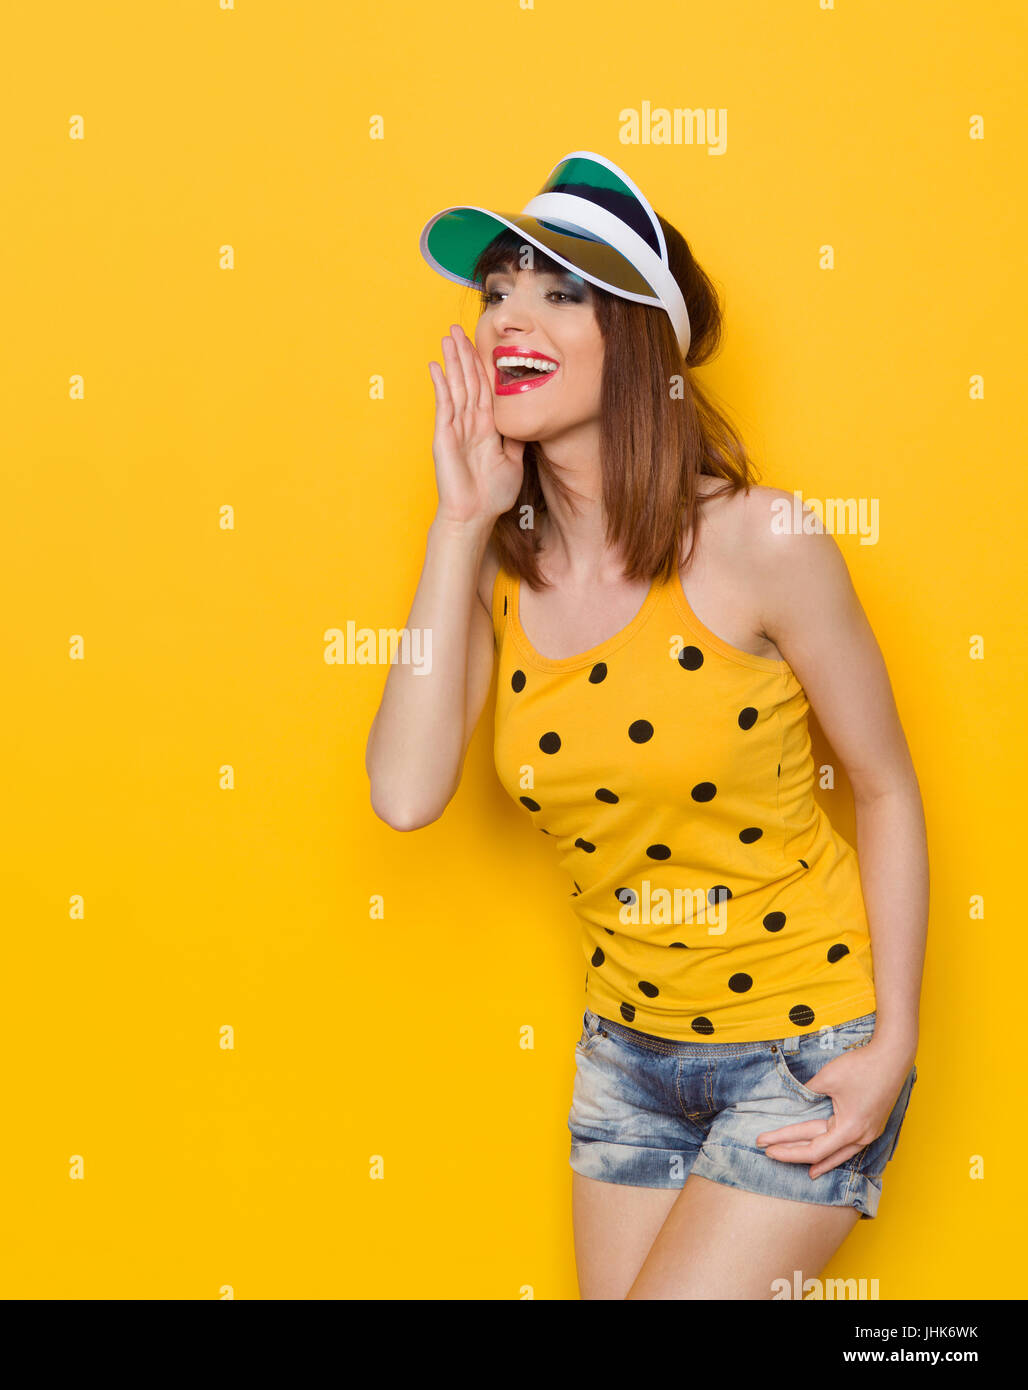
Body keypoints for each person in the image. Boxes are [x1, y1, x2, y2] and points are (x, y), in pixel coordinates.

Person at [365, 152, 926, 1300]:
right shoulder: (498, 575)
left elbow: (884, 787)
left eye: (560, 290)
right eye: (497, 291)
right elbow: (404, 794)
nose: (511, 315)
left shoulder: (761, 540)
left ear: (638, 341)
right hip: (624, 1061)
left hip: (802, 1048)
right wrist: (457, 523)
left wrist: (893, 1046)